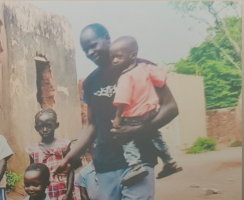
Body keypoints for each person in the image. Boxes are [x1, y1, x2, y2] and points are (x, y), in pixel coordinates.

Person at [55, 23, 180, 200]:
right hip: (105, 163)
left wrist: (139, 129)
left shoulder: (142, 68)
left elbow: (171, 107)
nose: (90, 53)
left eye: (93, 46)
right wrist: (69, 157)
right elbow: (91, 125)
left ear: (107, 38)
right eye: (85, 50)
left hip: (140, 160)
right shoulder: (91, 82)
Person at [109, 36, 182, 185]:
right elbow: (161, 78)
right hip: (150, 113)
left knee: (126, 138)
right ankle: (170, 161)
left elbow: (122, 101)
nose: (115, 61)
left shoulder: (125, 77)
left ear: (133, 55)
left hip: (133, 117)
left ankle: (135, 166)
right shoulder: (145, 68)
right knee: (155, 137)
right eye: (112, 58)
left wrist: (118, 118)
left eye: (118, 57)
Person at [24, 109, 80, 200]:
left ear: (56, 125)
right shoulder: (33, 150)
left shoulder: (64, 146)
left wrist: (68, 193)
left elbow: (70, 171)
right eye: (41, 126)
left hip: (63, 192)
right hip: (44, 195)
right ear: (36, 128)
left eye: (49, 126)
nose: (45, 130)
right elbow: (32, 172)